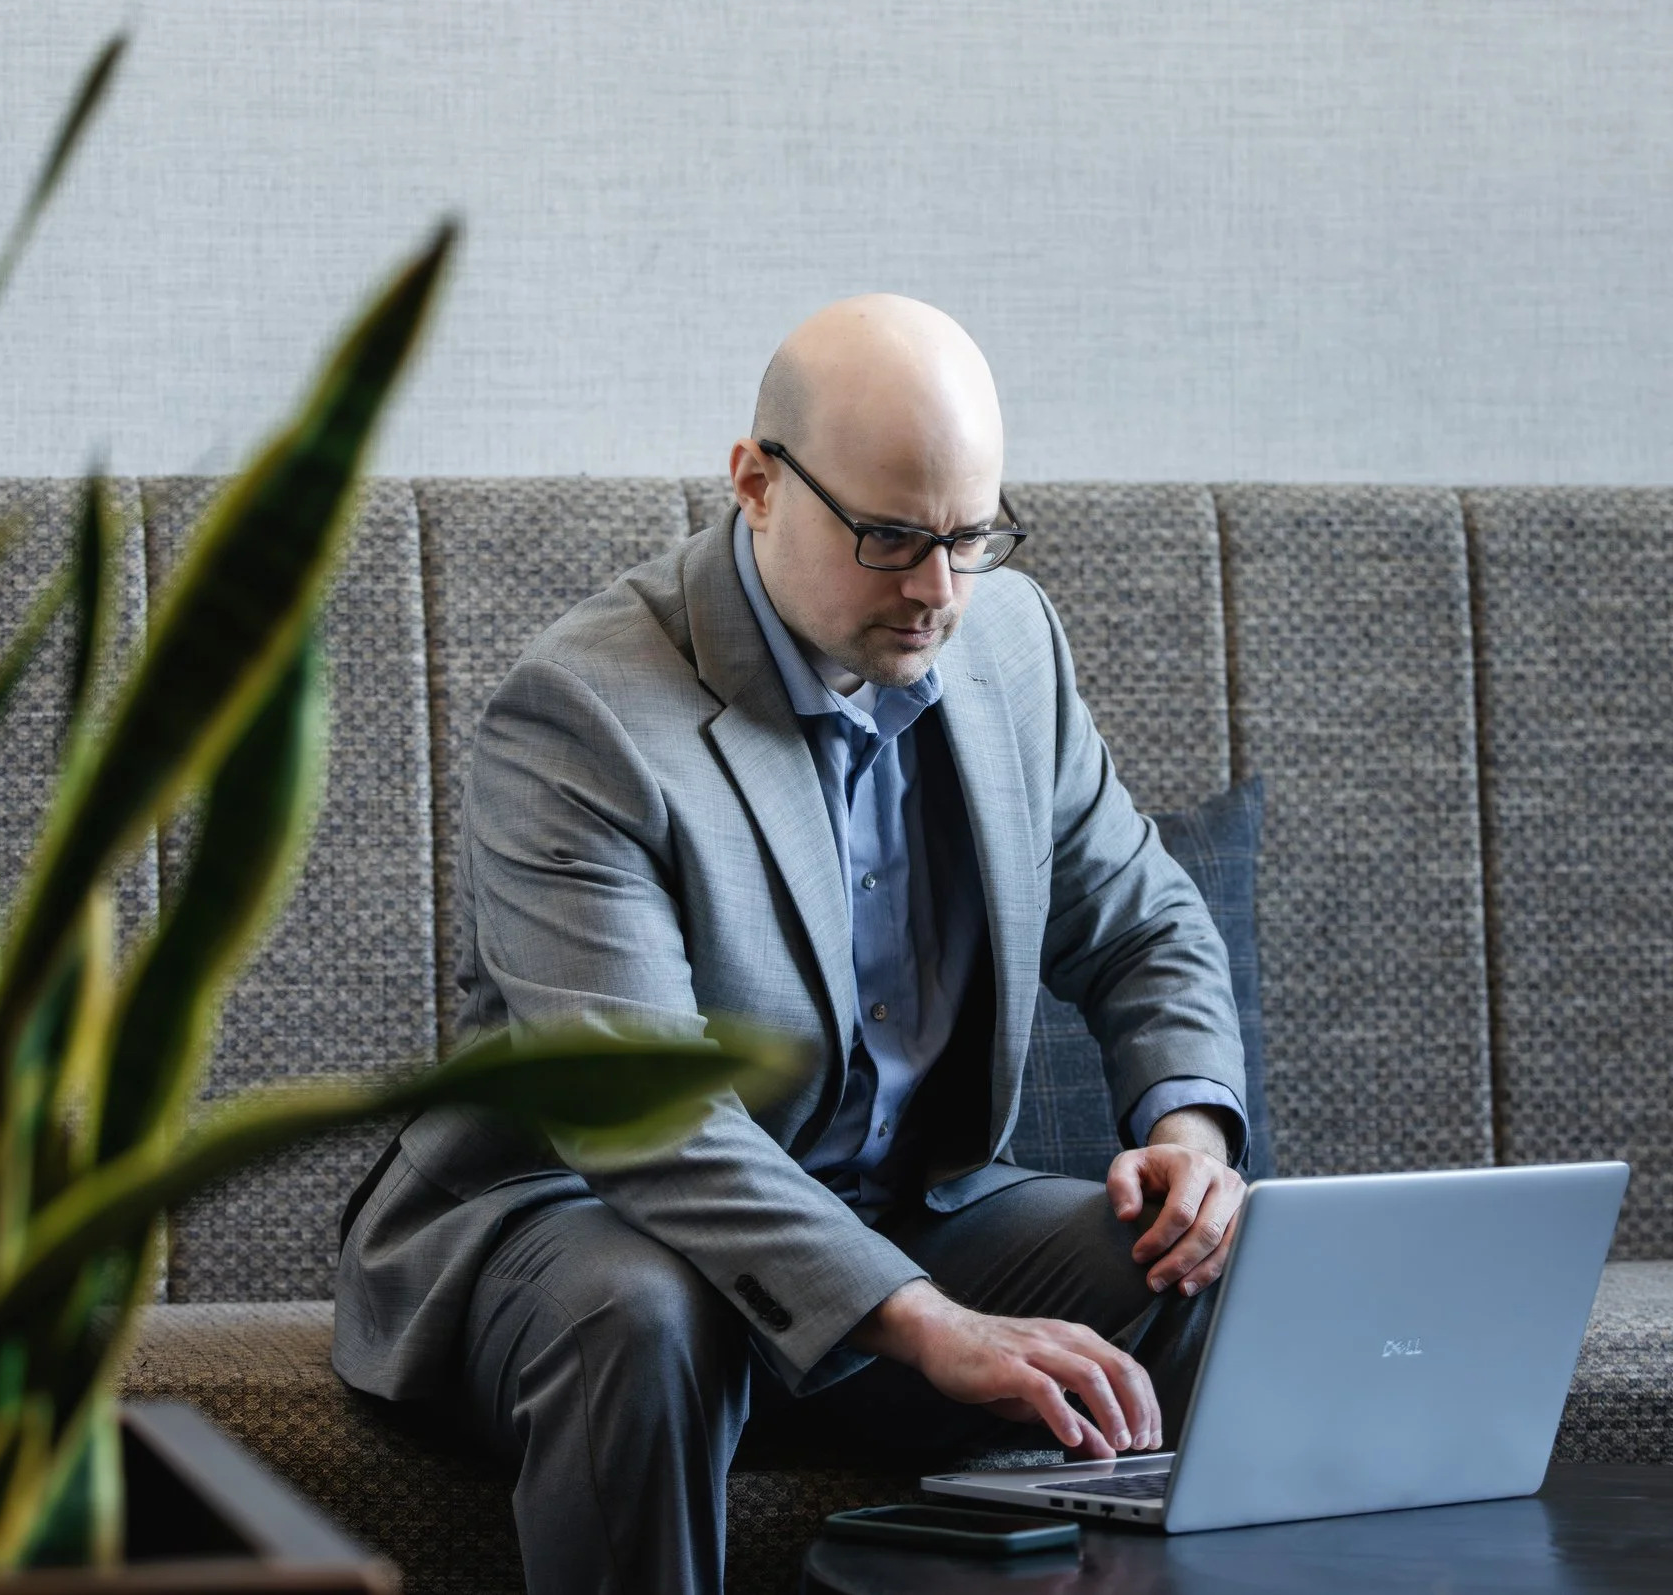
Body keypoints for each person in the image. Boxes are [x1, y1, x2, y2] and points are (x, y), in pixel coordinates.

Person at [334, 294, 1252, 1593]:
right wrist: (924, 1323)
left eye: (970, 535)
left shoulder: (1010, 643)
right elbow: (642, 1112)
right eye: (888, 537)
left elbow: (1146, 921)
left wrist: (1188, 1136)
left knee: (1198, 1269)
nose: (937, 590)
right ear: (756, 485)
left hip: (902, 1202)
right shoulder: (583, 712)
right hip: (589, 1216)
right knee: (638, 1316)